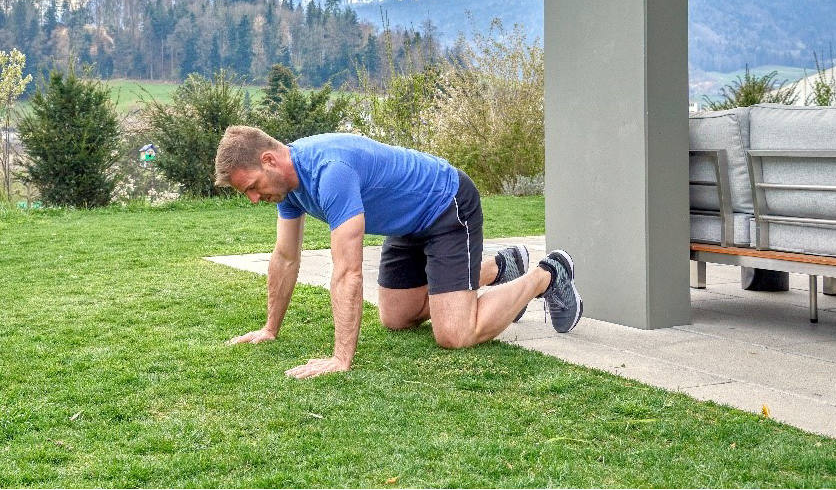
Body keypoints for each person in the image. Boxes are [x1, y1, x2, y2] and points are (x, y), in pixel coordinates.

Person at [214, 126, 582, 379]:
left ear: (268, 160)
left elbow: (347, 272)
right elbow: (285, 257)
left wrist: (340, 359)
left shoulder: (330, 171)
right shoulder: (288, 186)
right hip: (406, 225)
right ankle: (498, 268)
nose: (252, 198)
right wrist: (270, 329)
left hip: (445, 205)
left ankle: (547, 274)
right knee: (395, 317)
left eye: (251, 186)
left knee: (453, 333)